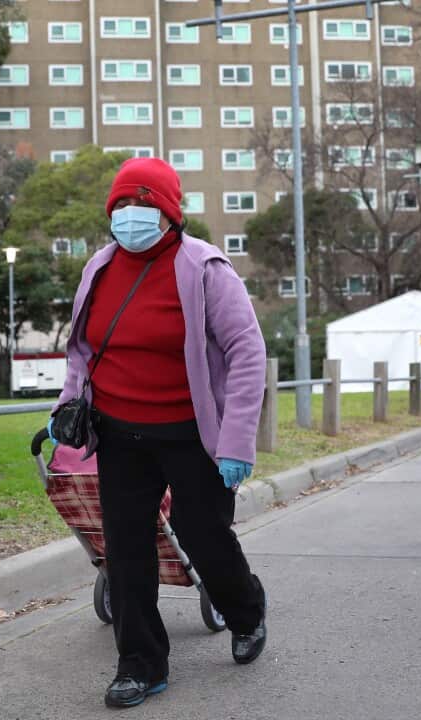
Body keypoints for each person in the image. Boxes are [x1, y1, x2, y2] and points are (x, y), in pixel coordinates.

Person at [51, 157, 268, 709]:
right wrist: (67, 405)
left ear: (170, 212)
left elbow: (246, 353)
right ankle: (140, 664)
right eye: (122, 204)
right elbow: (84, 350)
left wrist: (237, 441)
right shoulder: (99, 269)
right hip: (120, 435)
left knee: (204, 535)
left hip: (192, 435)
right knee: (124, 551)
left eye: (143, 204)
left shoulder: (205, 269)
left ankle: (245, 611)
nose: (131, 214)